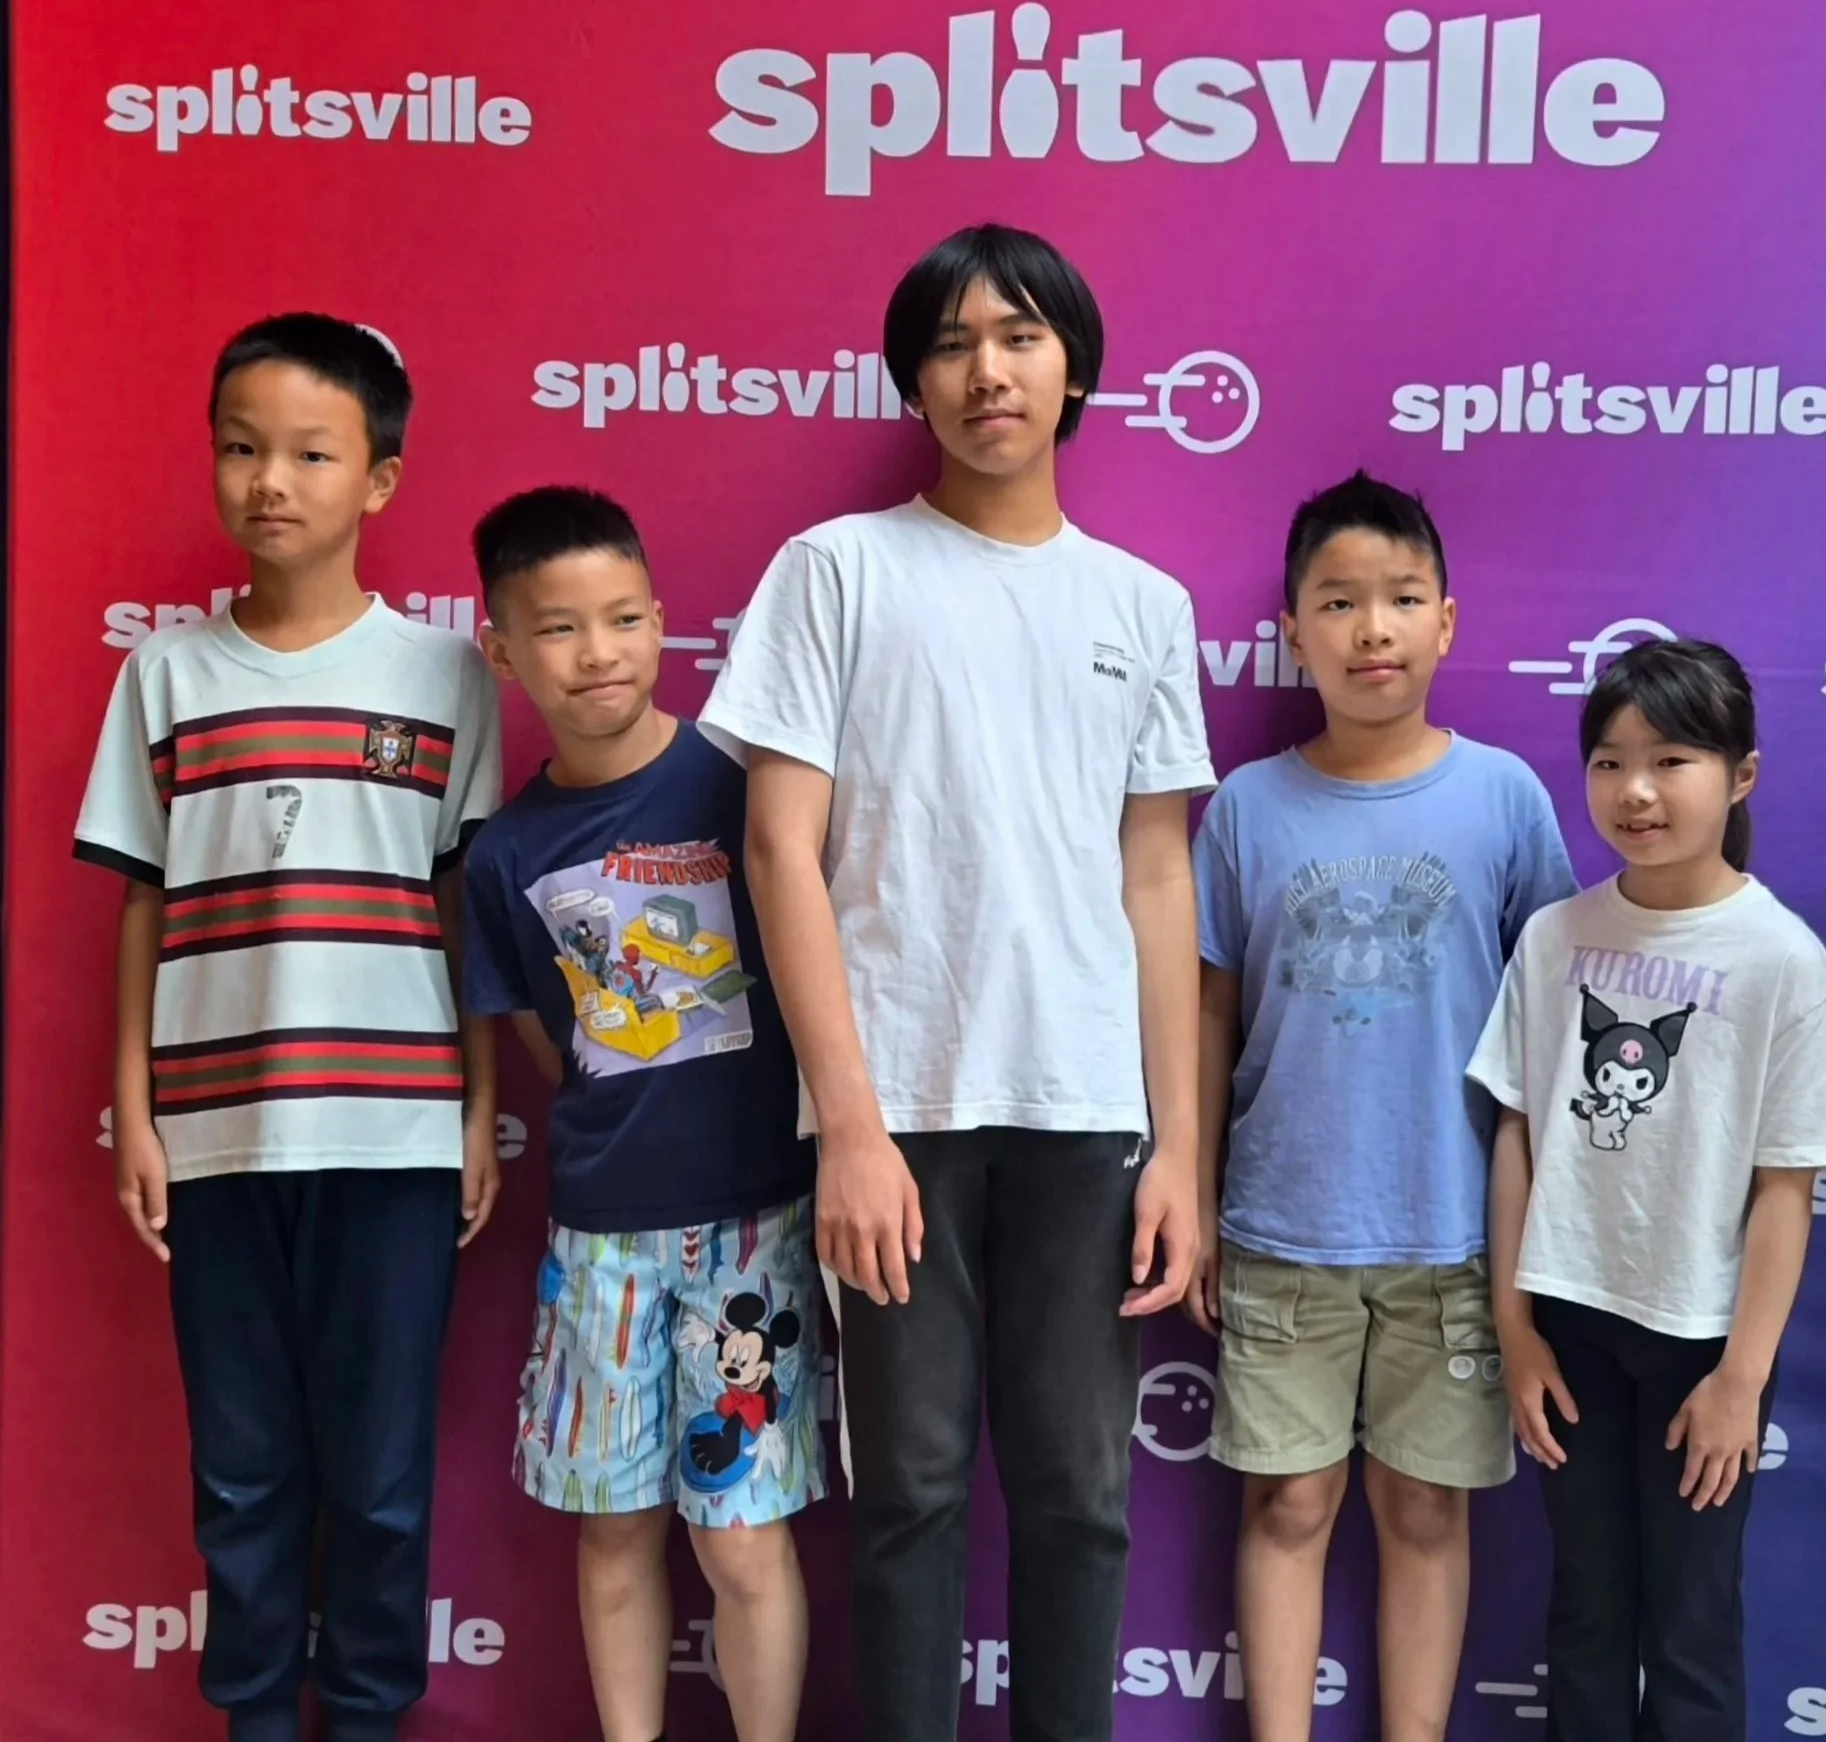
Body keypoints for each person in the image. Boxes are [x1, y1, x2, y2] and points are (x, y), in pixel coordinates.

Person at [696, 224, 1212, 1742]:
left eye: (1022, 335)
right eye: (952, 343)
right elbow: (780, 854)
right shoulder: (838, 572)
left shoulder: (1143, 603)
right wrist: (849, 1125)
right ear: (914, 381)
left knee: (1081, 1495)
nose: (989, 369)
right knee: (908, 1491)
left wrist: (1179, 1146)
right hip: (900, 1108)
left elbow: (1158, 881)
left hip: (1084, 1111)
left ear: (1076, 370)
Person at [76, 314, 503, 1742]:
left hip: (393, 1135)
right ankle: (256, 1716)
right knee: (245, 1468)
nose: (272, 481)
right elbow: (140, 902)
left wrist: (474, 1106)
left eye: (311, 454)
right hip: (215, 1138)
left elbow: (464, 912)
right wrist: (137, 1111)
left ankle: (370, 1715)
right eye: (242, 448)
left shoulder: (446, 679)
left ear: (377, 480)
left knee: (379, 1475)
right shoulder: (169, 676)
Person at [1187, 471, 1577, 1740]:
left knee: (1425, 1510)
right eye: (1338, 601)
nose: (1372, 629)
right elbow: (1204, 1014)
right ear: (1290, 629)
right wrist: (1191, 1192)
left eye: (1402, 599)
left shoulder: (1507, 797)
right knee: (1289, 1505)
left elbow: (1549, 1019)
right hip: (1282, 1226)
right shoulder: (1243, 806)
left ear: (1446, 622)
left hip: (1456, 1234)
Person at [460, 487, 823, 1742]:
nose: (598, 651)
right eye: (558, 628)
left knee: (742, 1537)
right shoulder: (506, 852)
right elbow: (541, 1039)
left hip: (754, 1234)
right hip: (599, 1240)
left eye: (622, 617)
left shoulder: (739, 789)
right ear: (501, 649)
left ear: (664, 620)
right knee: (613, 1526)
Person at [1475, 638, 1826, 1742]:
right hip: (1568, 1323)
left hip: (1705, 1339)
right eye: (1608, 760)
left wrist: (1741, 1376)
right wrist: (1514, 1325)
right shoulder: (1557, 935)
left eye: (1672, 758)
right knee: (1587, 1613)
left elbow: (1786, 1187)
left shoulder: (1780, 957)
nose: (1635, 790)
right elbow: (1516, 1129)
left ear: (1740, 774)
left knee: (1691, 1627)